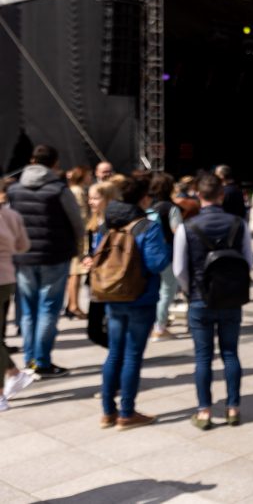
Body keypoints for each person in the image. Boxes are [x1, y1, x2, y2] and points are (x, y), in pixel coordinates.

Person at [173, 174, 252, 429]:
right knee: (230, 353)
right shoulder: (238, 223)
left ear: (199, 196)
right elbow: (248, 262)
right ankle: (233, 407)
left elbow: (178, 269)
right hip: (230, 297)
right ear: (221, 196)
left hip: (200, 299)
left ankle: (204, 410)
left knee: (203, 357)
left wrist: (190, 290)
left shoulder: (187, 227)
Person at [93, 173, 171, 430]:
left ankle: (107, 411)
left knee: (115, 352)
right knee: (133, 355)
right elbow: (156, 262)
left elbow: (97, 254)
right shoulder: (147, 226)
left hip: (112, 293)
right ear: (142, 197)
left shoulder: (106, 223)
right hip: (141, 296)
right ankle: (127, 412)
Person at [7, 145, 84, 378]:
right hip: (54, 255)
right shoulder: (58, 189)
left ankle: (31, 359)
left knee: (28, 312)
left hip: (24, 257)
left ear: (31, 160)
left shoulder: (15, 189)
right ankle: (41, 361)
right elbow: (77, 223)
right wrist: (78, 246)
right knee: (48, 309)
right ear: (55, 163)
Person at [0, 180, 33, 411]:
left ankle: (3, 391)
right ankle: (13, 373)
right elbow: (23, 246)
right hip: (6, 277)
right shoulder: (11, 215)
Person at [148, 173, 182, 342]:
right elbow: (178, 232)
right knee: (167, 291)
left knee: (153, 290)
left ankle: (154, 323)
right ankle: (160, 328)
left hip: (149, 253)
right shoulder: (171, 208)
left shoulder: (147, 206)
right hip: (168, 253)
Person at [84, 181, 119, 348]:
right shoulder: (94, 223)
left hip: (109, 281)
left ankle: (120, 354)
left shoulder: (114, 225)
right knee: (94, 331)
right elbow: (92, 249)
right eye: (89, 198)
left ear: (108, 199)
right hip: (96, 281)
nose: (90, 202)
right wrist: (88, 258)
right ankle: (119, 352)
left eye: (95, 198)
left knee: (100, 328)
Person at [65, 166, 92, 320]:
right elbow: (81, 216)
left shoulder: (74, 190)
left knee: (75, 272)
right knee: (75, 271)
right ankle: (74, 305)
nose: (90, 177)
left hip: (76, 236)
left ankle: (73, 304)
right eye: (88, 174)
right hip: (79, 237)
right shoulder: (78, 192)